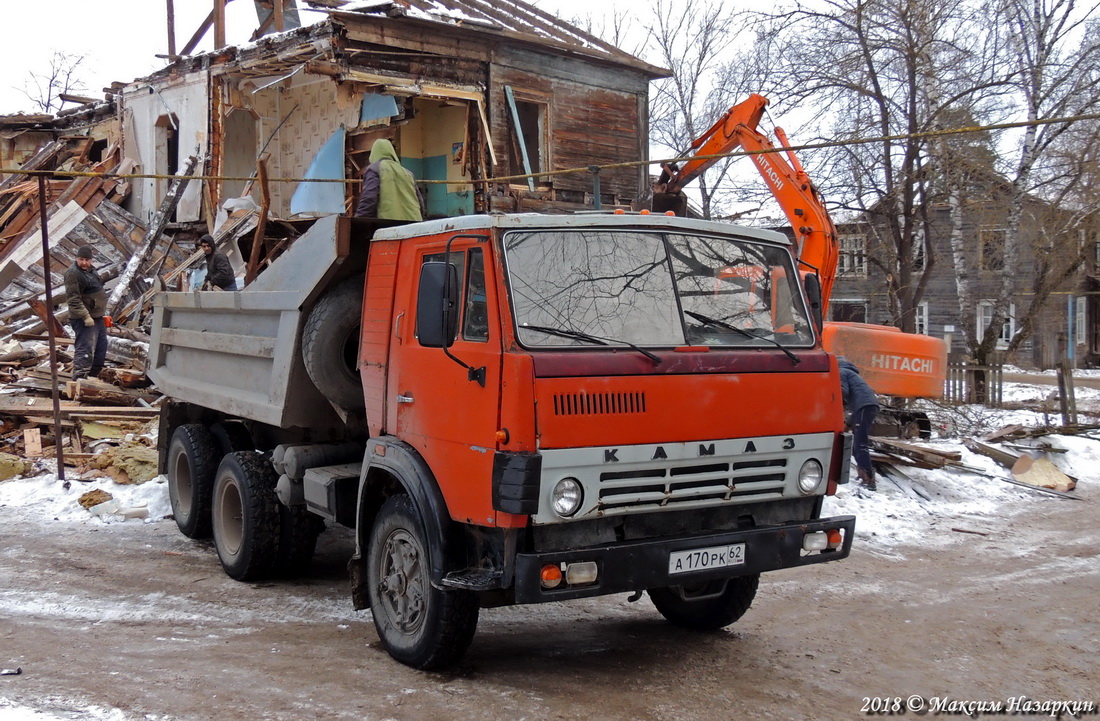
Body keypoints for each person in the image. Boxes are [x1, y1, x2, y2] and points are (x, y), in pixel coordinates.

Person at [65, 245, 108, 381]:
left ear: (91, 260)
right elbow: (73, 299)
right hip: (84, 319)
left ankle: (94, 377)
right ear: (77, 258)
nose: (84, 263)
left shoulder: (91, 271)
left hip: (97, 317)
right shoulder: (73, 274)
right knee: (85, 349)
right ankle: (79, 380)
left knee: (101, 347)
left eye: (87, 260)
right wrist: (86, 316)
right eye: (81, 259)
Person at [354, 138, 424, 221]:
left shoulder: (374, 169)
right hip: (414, 224)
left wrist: (357, 221)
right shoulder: (408, 173)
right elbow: (421, 204)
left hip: (389, 225)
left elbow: (369, 200)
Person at [838, 356, 880, 490]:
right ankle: (863, 473)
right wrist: (847, 425)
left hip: (864, 406)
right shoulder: (851, 373)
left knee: (860, 443)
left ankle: (869, 480)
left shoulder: (841, 372)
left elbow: (842, 390)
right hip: (866, 406)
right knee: (858, 442)